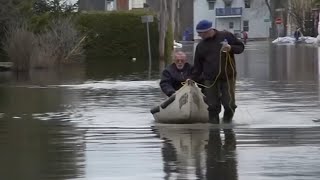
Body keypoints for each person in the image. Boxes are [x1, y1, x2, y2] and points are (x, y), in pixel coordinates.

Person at [191, 20, 245, 124]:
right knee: (212, 106)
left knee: (229, 104)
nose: (199, 36)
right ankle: (214, 130)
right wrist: (191, 79)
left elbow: (241, 48)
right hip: (210, 79)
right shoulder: (200, 46)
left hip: (228, 77)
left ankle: (227, 124)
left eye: (200, 33)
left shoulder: (226, 36)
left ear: (207, 31)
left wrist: (230, 48)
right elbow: (197, 67)